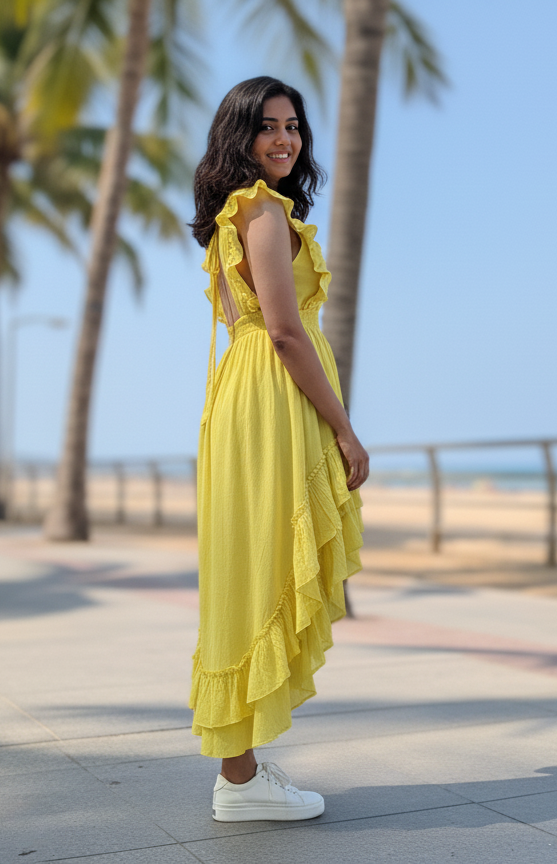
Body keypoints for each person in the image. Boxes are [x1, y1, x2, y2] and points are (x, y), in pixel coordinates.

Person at [189, 76, 369, 823]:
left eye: (292, 125)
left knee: (248, 565)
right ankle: (238, 781)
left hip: (245, 396)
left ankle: (241, 771)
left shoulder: (240, 212)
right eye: (267, 127)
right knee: (260, 566)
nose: (285, 139)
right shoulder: (261, 212)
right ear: (240, 135)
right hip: (273, 398)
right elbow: (288, 333)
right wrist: (343, 427)